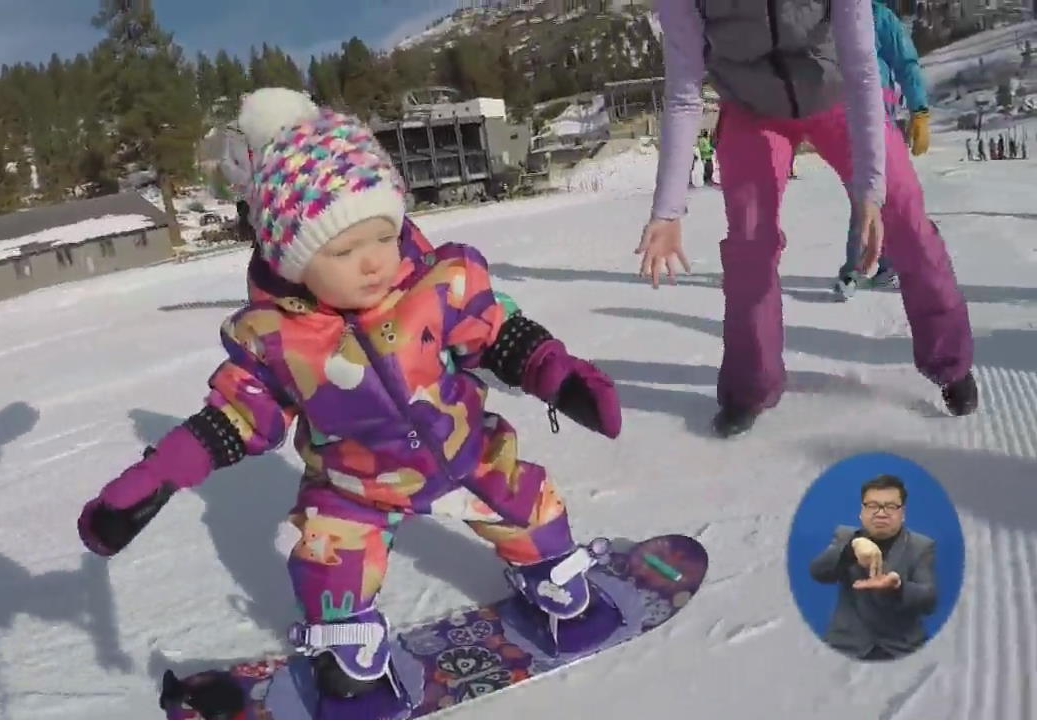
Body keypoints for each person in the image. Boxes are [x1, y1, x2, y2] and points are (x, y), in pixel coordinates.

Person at [77, 88, 625, 714]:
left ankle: (548, 575)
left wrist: (560, 376)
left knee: (530, 507)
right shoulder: (280, 340)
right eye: (342, 250)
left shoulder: (436, 288)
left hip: (468, 450)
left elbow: (499, 333)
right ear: (295, 260)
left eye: (382, 238)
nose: (371, 264)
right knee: (327, 558)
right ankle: (348, 650)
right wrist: (155, 479)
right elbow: (233, 418)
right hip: (355, 484)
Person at [637, 0, 977, 438]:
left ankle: (949, 361)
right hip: (752, 109)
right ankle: (750, 384)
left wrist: (871, 190)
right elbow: (684, 93)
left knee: (905, 216)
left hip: (838, 94)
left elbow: (860, 69)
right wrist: (667, 209)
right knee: (750, 242)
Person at [833, 0, 933, 300]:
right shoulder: (827, 15)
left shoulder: (879, 16)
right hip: (841, 117)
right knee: (864, 193)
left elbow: (906, 62)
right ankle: (878, 264)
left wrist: (919, 110)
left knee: (879, 193)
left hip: (880, 117)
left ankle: (865, 267)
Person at [808, 475, 937, 661]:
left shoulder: (921, 546)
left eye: (891, 506)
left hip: (902, 648)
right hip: (847, 646)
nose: (881, 513)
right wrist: (851, 549)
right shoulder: (844, 537)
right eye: (872, 506)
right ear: (862, 511)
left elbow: (928, 599)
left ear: (903, 513)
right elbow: (818, 572)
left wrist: (898, 587)